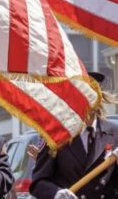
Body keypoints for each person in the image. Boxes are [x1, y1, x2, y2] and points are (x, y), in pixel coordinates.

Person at [29, 71, 118, 199]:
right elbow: (38, 183)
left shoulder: (114, 132)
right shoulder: (56, 134)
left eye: (91, 94)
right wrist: (56, 193)